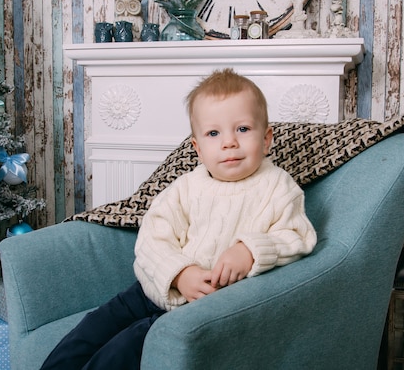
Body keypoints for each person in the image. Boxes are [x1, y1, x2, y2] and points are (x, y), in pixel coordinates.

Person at [40, 68, 317, 370]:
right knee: (84, 336)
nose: (229, 143)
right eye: (214, 133)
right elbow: (152, 238)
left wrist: (250, 250)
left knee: (124, 350)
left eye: (242, 129)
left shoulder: (278, 186)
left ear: (266, 139)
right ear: (197, 148)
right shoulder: (186, 187)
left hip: (195, 311)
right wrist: (180, 274)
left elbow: (297, 236)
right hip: (150, 292)